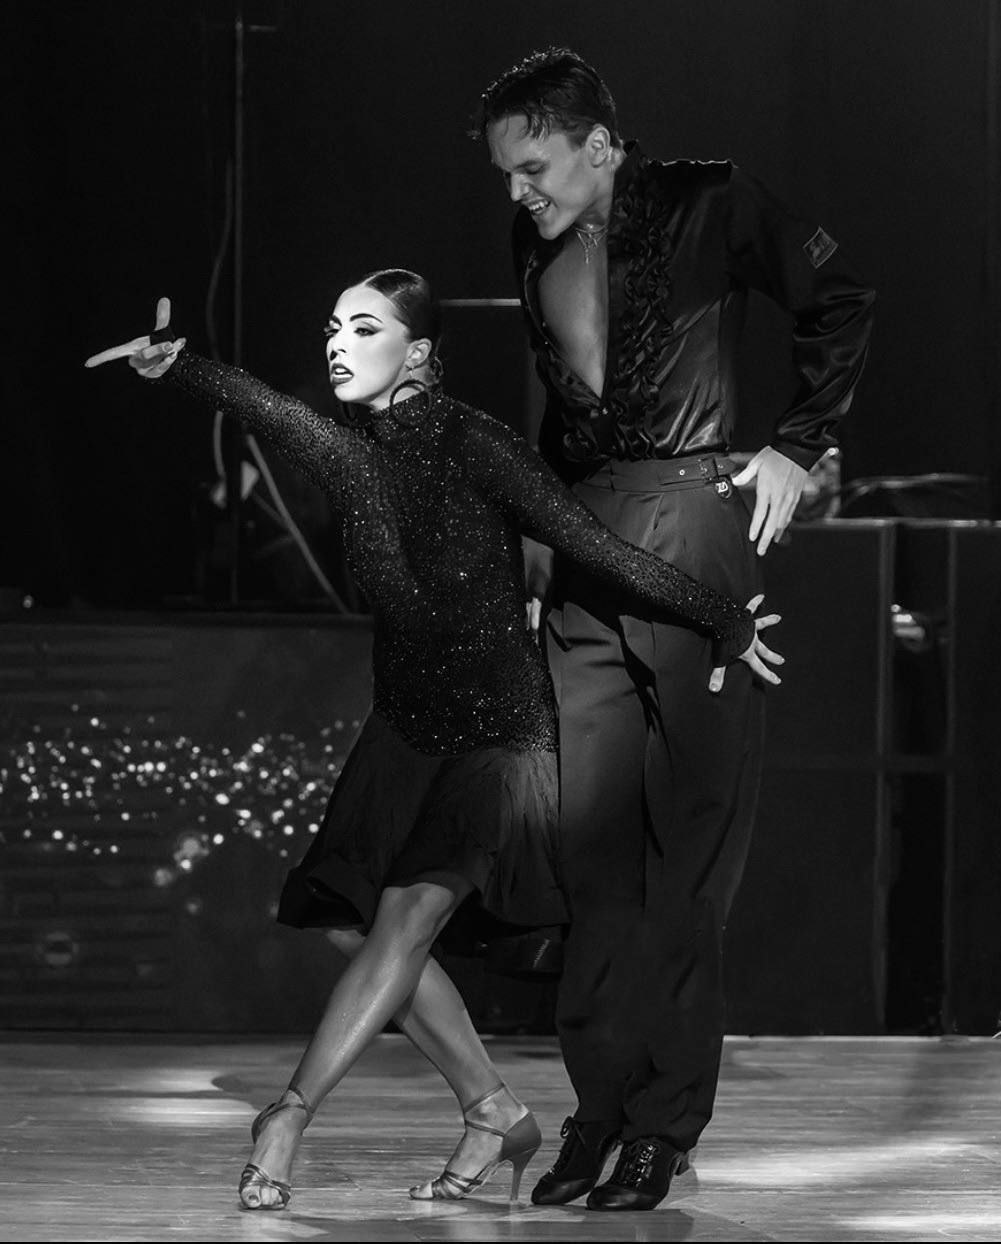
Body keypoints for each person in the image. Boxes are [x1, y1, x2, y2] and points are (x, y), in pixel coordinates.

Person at [85, 270, 782, 1211]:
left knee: (406, 919)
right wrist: (180, 368)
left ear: (416, 351)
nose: (337, 344)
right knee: (344, 914)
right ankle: (492, 1109)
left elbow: (588, 543)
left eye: (363, 328)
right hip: (406, 725)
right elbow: (264, 407)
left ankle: (287, 1116)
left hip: (497, 729)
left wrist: (720, 616)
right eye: (331, 328)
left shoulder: (473, 441)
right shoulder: (347, 453)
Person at [475, 48, 875, 1211]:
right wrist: (535, 544)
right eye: (506, 174)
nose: (518, 192)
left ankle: (663, 1122)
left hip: (692, 526)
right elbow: (555, 408)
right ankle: (599, 1109)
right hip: (583, 544)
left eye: (533, 166)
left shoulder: (709, 199)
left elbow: (840, 297)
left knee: (684, 855)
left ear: (598, 144)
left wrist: (796, 444)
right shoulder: (530, 242)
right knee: (589, 851)